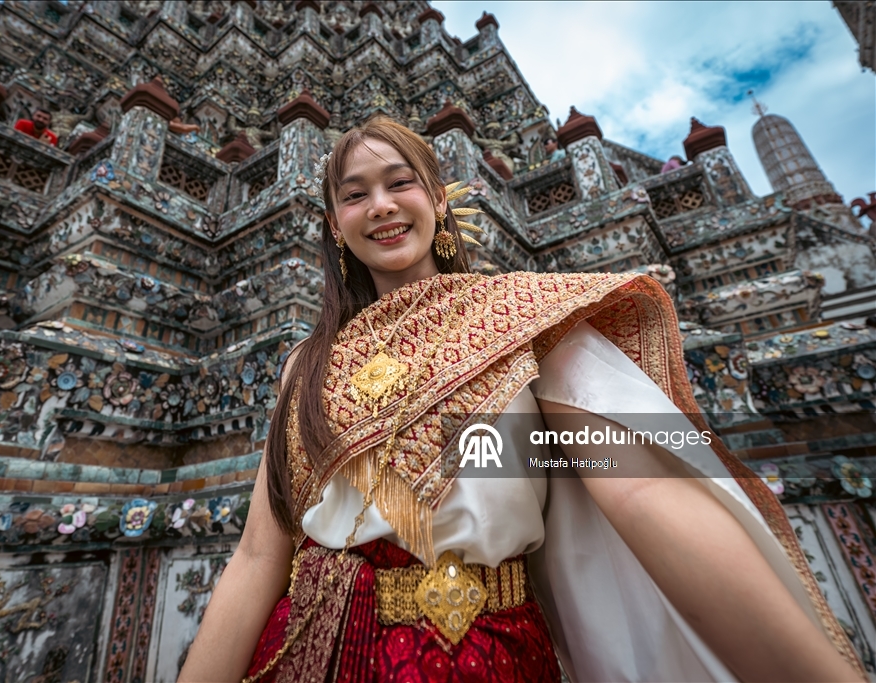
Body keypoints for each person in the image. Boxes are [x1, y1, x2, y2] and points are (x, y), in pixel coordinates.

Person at [178, 117, 863, 683]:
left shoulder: (523, 322)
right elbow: (257, 557)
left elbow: (644, 488)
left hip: (478, 656)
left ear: (439, 200)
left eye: (400, 183)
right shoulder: (308, 361)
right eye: (355, 195)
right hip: (306, 649)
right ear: (336, 223)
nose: (381, 206)